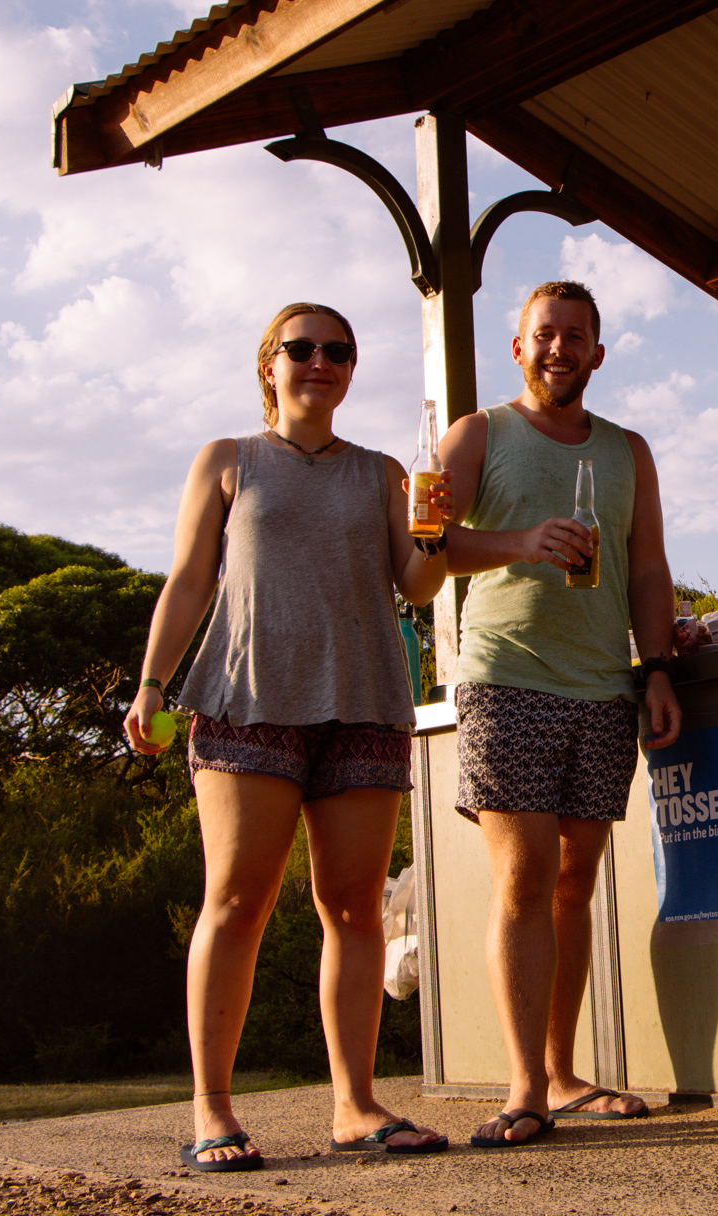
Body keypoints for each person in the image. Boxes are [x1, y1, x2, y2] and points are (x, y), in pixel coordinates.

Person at [124, 303, 451, 1173]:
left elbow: (416, 585)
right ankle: (213, 1111)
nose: (320, 361)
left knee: (354, 910)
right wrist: (153, 681)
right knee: (238, 902)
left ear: (350, 370)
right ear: (269, 364)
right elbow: (191, 577)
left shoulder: (383, 472)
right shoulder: (228, 460)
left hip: (362, 702)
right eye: (301, 348)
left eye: (337, 351)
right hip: (248, 699)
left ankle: (355, 1107)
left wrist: (436, 529)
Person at [436, 279, 681, 1147]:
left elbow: (649, 571)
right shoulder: (478, 435)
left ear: (597, 354)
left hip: (604, 686)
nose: (558, 348)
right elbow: (424, 548)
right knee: (523, 879)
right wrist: (517, 541)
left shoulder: (628, 451)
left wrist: (654, 670)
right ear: (518, 347)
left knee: (577, 883)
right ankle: (523, 1086)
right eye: (543, 333)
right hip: (505, 677)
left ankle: (564, 1071)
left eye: (575, 335)